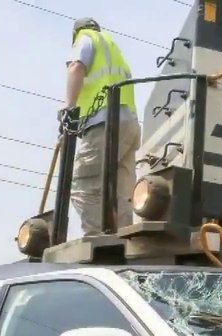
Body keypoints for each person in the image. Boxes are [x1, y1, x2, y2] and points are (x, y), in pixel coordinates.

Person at [61, 17, 141, 236]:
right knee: (122, 190)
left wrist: (68, 107)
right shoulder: (113, 47)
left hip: (104, 123)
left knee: (84, 184)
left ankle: (96, 240)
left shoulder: (85, 38)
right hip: (130, 124)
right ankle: (125, 239)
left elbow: (76, 66)